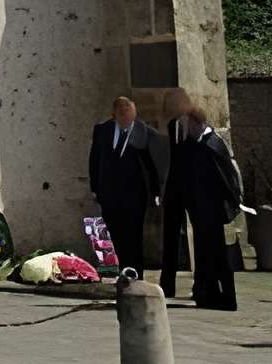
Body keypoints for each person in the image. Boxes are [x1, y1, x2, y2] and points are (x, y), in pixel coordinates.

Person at [160, 102, 244, 310]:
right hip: (199, 209)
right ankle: (206, 293)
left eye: (187, 124)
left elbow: (228, 180)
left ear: (196, 123)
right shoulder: (193, 144)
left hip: (212, 210)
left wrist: (228, 206)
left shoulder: (213, 144)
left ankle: (226, 298)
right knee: (204, 254)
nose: (185, 129)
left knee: (218, 255)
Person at [86, 94, 161, 273]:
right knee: (117, 236)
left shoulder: (146, 133)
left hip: (134, 196)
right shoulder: (103, 131)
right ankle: (124, 272)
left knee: (134, 237)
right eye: (121, 111)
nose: (124, 114)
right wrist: (95, 188)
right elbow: (94, 160)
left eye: (128, 110)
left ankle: (135, 274)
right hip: (109, 195)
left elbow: (153, 166)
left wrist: (156, 192)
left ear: (134, 112)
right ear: (114, 114)